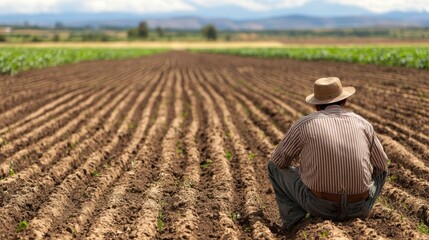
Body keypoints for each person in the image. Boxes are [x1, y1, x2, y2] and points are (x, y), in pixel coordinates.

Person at [267, 77, 388, 232]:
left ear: (317, 105)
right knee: (383, 171)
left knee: (273, 167)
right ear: (344, 101)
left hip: (320, 206)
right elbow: (381, 165)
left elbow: (279, 162)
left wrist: (305, 171)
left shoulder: (304, 124)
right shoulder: (363, 124)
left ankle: (294, 223)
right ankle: (358, 198)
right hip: (360, 207)